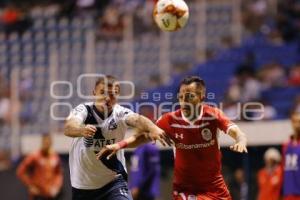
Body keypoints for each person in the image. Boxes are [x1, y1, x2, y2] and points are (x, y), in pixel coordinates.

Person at [98, 76, 248, 200]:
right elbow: (143, 137)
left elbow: (235, 131)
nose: (184, 101)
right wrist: (119, 145)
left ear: (202, 96)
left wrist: (240, 140)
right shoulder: (169, 120)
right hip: (185, 189)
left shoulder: (213, 115)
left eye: (190, 96)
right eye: (181, 96)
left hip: (214, 187)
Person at [64, 75, 170, 200]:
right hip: (83, 186)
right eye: (102, 93)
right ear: (94, 93)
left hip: (113, 183)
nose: (107, 98)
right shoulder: (83, 110)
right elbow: (69, 127)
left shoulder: (120, 113)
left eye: (112, 94)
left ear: (118, 95)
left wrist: (154, 128)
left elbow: (137, 119)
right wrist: (81, 130)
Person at [16, 134, 63, 200]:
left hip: (50, 195)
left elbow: (59, 173)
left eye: (49, 141)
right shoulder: (35, 156)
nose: (47, 143)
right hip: (38, 194)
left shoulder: (55, 157)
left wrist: (57, 186)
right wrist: (30, 186)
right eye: (45, 141)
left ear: (51, 142)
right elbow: (20, 171)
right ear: (42, 142)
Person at [282, 111, 300, 200]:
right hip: (289, 192)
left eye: (299, 122)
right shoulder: (286, 145)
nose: (297, 125)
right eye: (295, 121)